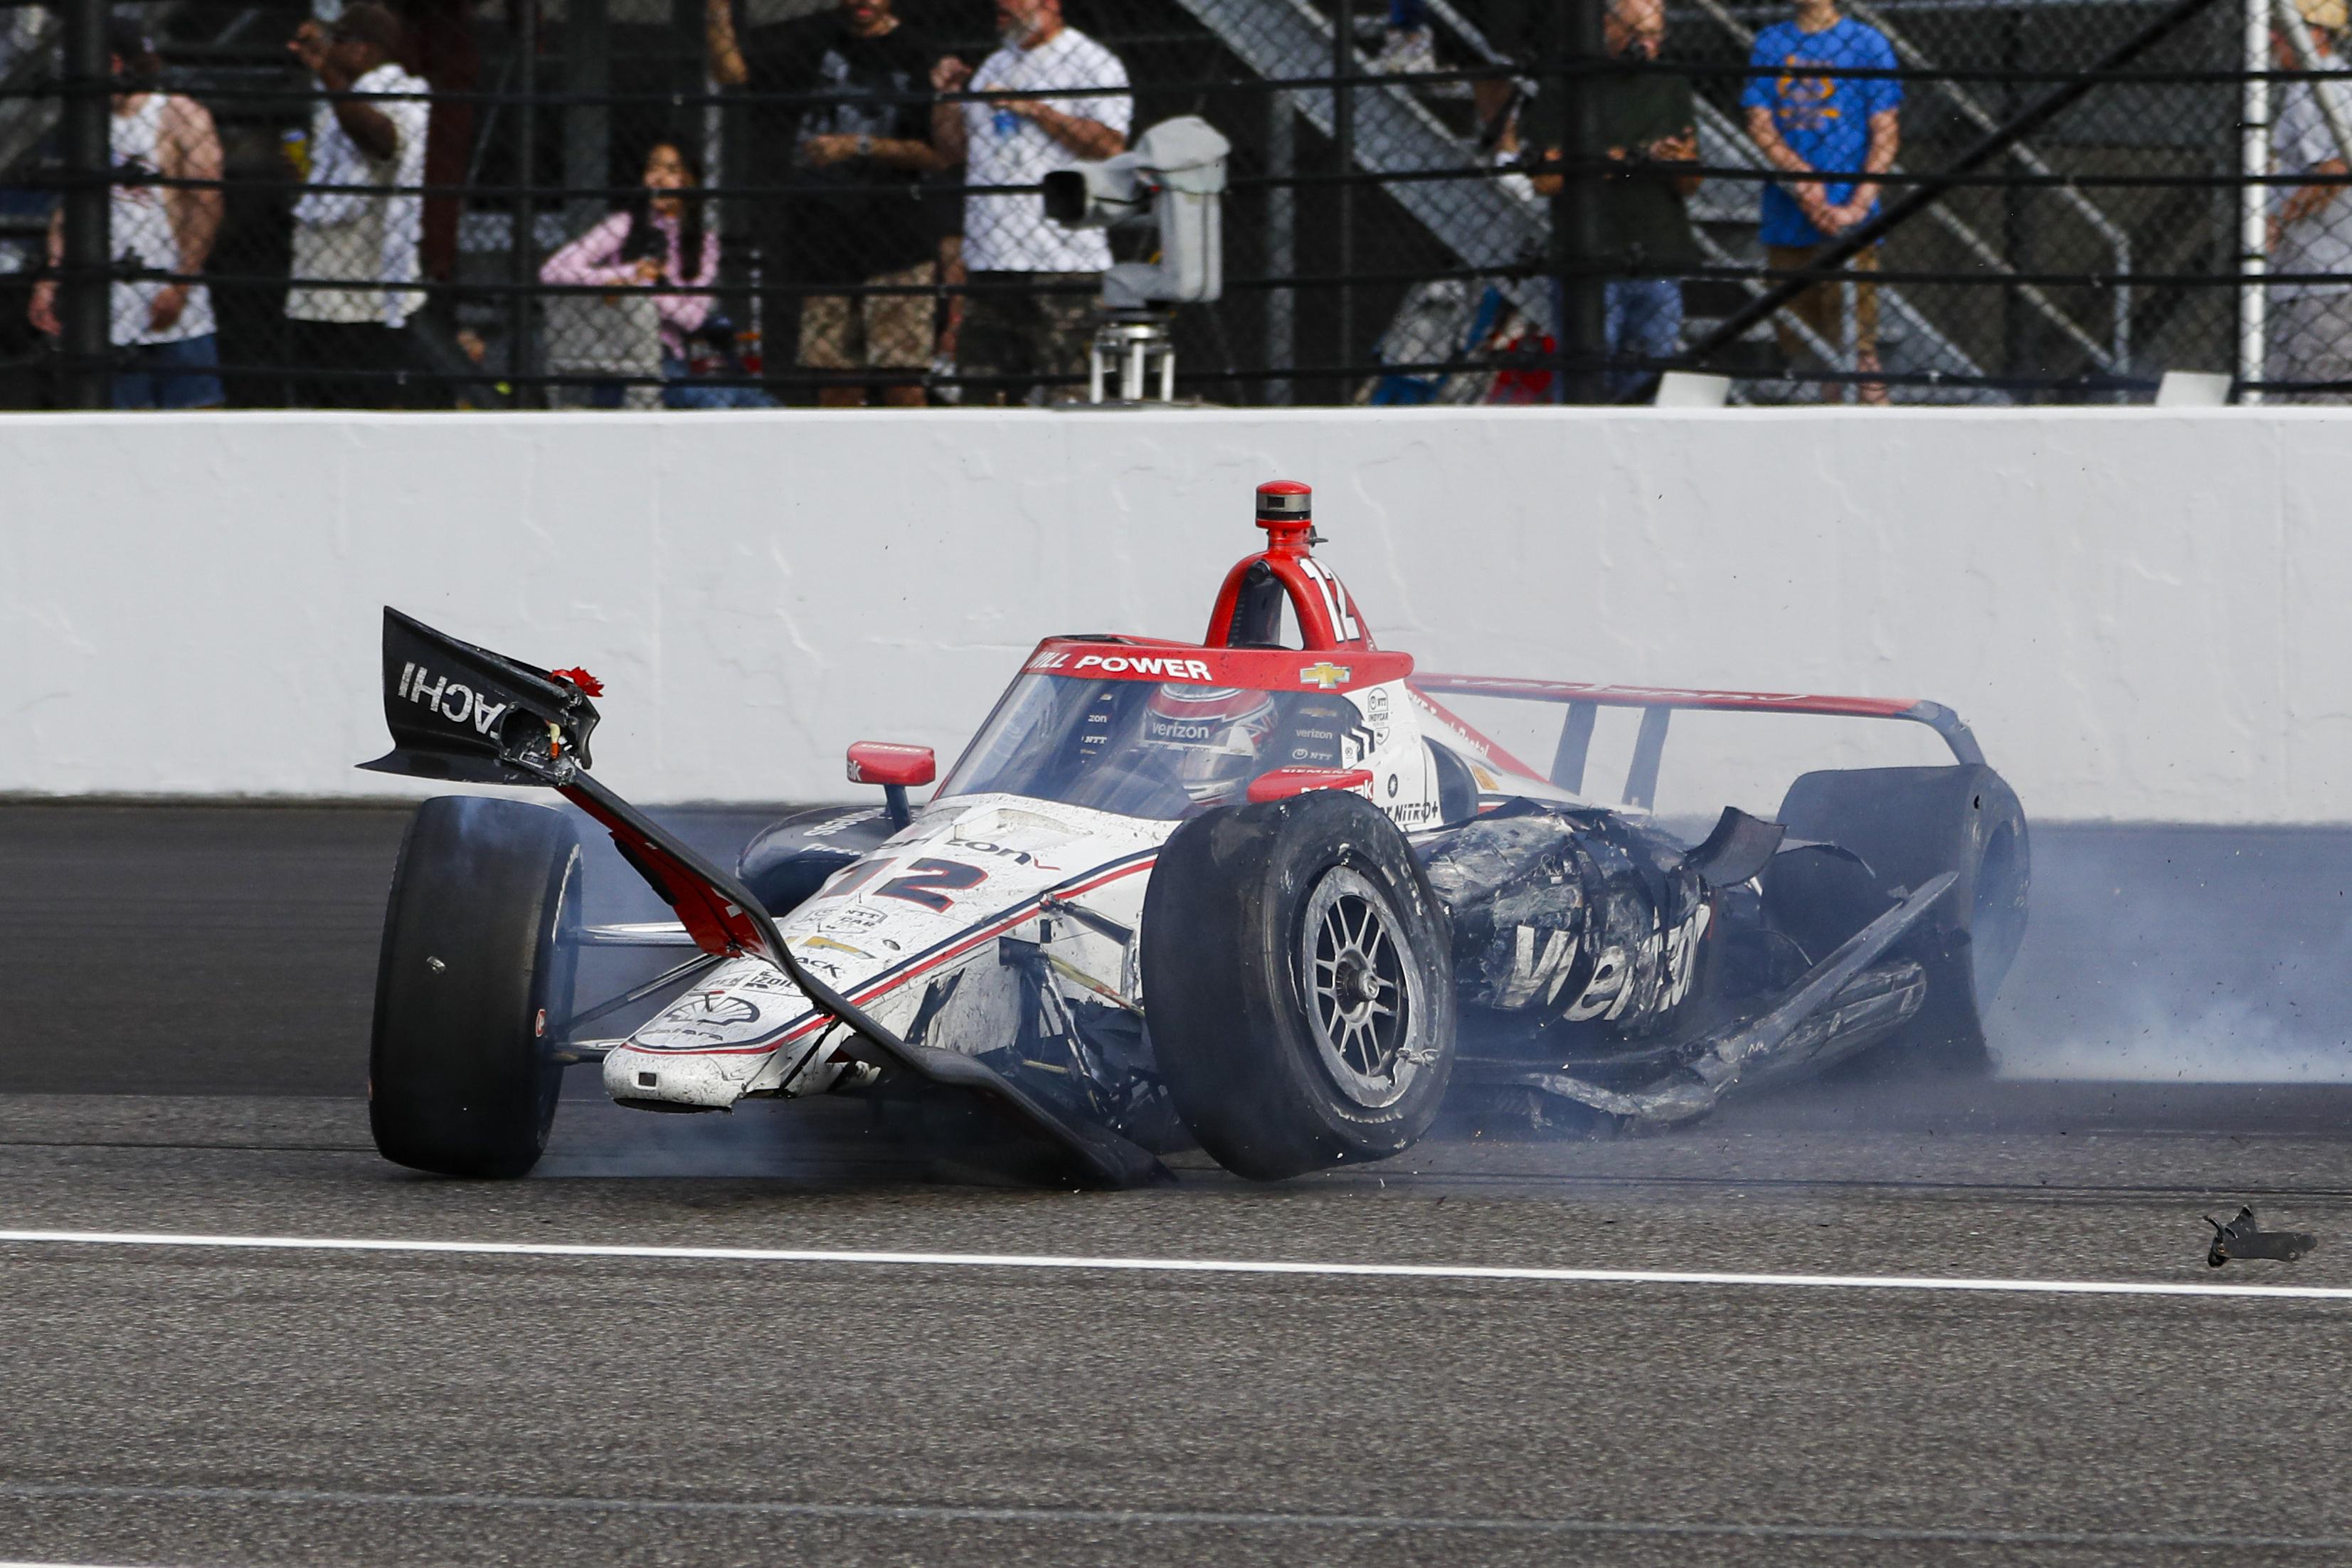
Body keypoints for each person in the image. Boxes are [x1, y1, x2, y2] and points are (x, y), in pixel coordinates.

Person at [707, 0, 950, 407]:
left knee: (902, 379)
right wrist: (717, 13)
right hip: (825, 240)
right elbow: (732, 72)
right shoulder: (815, 42)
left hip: (897, 242)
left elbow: (937, 156)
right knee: (836, 380)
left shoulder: (919, 53)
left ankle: (906, 466)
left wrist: (858, 145)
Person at [932, 0, 1130, 406]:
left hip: (1063, 261)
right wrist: (949, 97)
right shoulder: (994, 65)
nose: (1000, 5)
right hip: (992, 260)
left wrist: (1035, 108)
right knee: (980, 392)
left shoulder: (1091, 62)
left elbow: (1110, 145)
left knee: (1069, 392)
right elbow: (953, 150)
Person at [28, 17, 225, 409]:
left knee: (197, 420)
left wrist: (181, 284)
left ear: (113, 63)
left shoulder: (176, 114)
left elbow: (207, 202)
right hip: (109, 307)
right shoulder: (90, 121)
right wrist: (50, 278)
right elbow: (71, 205)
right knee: (121, 429)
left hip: (170, 300)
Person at [1525, 0, 1702, 398]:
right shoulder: (1566, 83)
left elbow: (1691, 183)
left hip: (1658, 253)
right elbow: (1547, 180)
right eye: (1637, 34)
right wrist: (1632, 160)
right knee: (1583, 381)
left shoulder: (1670, 84)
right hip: (1589, 258)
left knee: (1650, 382)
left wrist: (1677, 161)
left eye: (1655, 35)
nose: (1647, 46)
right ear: (1608, 25)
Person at [1742, 0, 1902, 403]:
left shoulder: (1868, 44)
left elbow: (1885, 132)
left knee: (1859, 350)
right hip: (1788, 218)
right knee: (1806, 351)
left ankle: (1877, 434)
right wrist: (1802, 180)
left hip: (1849, 215)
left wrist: (1858, 205)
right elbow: (1760, 123)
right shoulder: (1771, 42)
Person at [539, 142, 776, 410]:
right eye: (653, 168)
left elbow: (692, 317)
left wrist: (644, 286)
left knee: (759, 403)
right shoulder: (624, 224)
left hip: (668, 360)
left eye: (672, 170)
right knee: (718, 400)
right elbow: (552, 271)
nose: (659, 178)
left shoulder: (704, 243)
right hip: (620, 363)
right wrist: (625, 272)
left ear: (690, 182)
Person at [282, 2, 435, 408]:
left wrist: (327, 72)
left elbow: (381, 140)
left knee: (367, 409)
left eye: (339, 42)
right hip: (316, 289)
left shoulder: (400, 93)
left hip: (366, 297)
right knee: (314, 409)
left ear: (364, 50)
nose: (331, 49)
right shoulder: (336, 105)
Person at [2268, 0, 2352, 401]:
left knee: (2315, 399)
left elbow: (2334, 170)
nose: (2270, 39)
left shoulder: (2313, 89)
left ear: (2315, 34)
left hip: (2323, 277)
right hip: (2327, 275)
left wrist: (2276, 221)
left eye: (2281, 30)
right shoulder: (2339, 83)